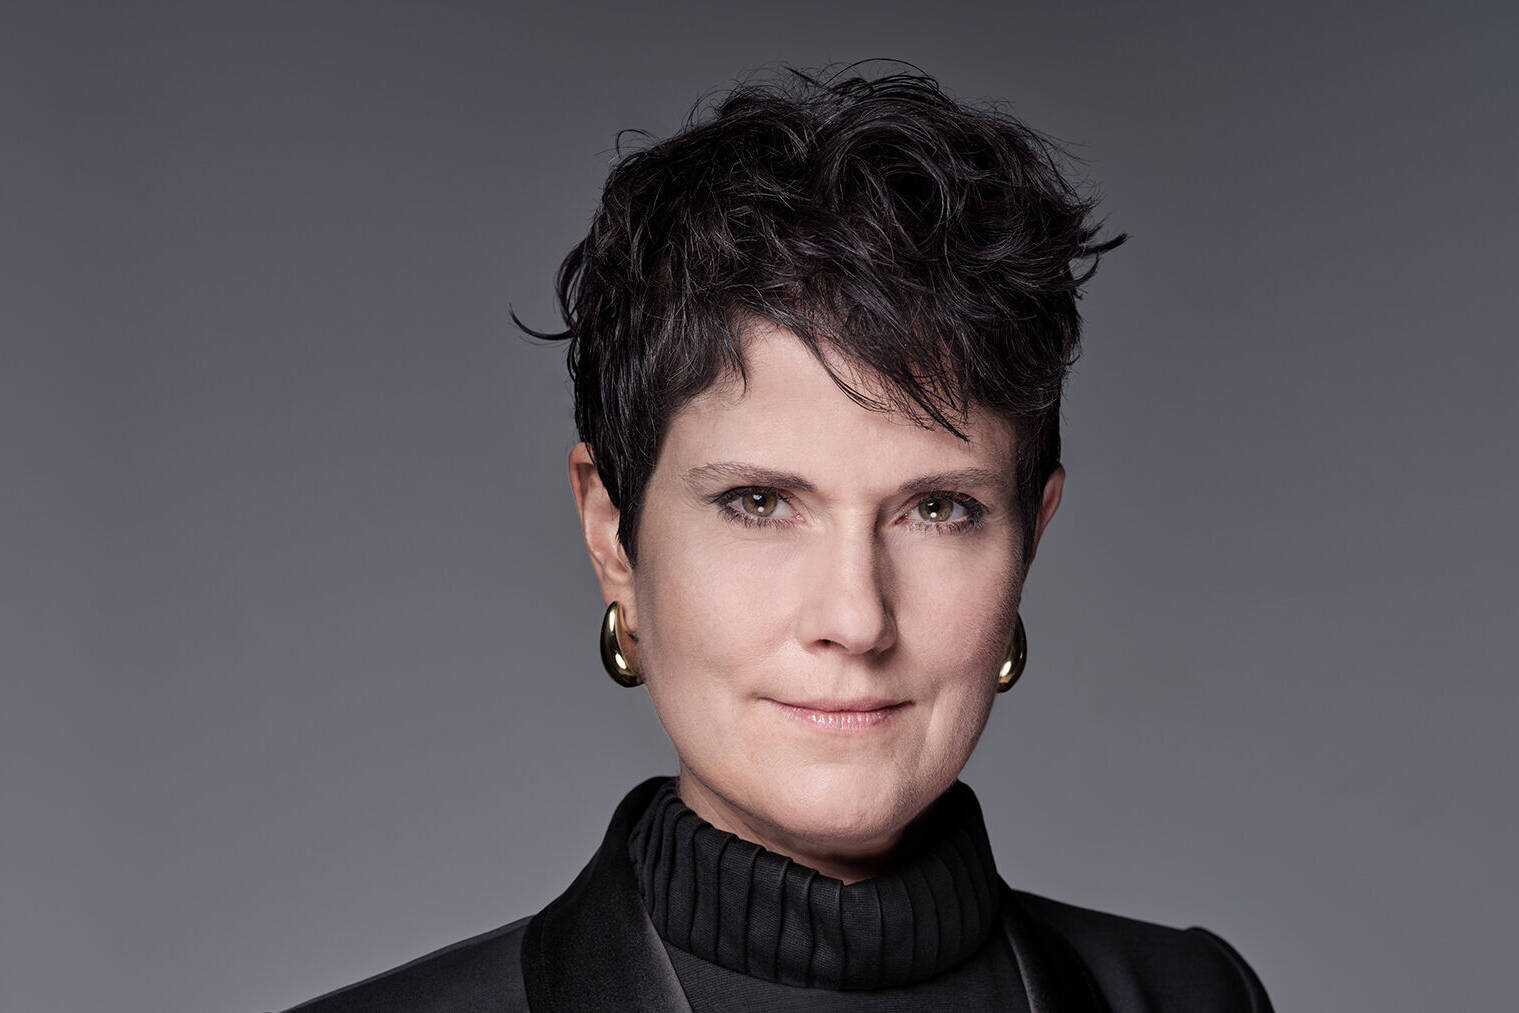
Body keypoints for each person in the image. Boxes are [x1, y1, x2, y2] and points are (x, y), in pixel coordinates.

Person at [281, 68, 1274, 1012]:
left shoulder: (1193, 998)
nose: (855, 617)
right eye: (758, 502)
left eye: (937, 509)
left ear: (1028, 539)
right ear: (612, 536)